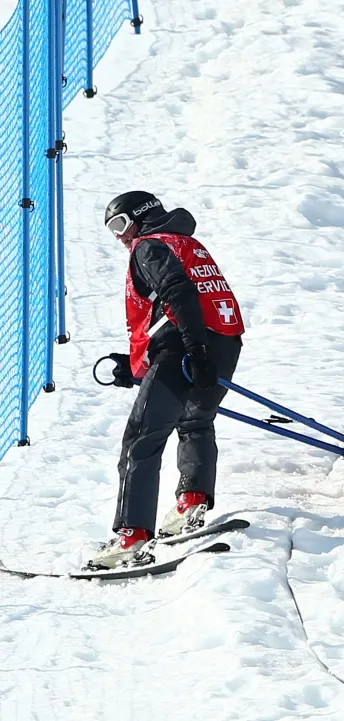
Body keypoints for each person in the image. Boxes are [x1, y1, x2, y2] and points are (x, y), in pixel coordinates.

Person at [90, 192, 245, 570]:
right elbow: (176, 309)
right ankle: (191, 503)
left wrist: (193, 350)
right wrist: (138, 365)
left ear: (141, 219)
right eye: (112, 229)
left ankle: (132, 536)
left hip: (187, 350)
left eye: (121, 225)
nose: (119, 237)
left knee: (141, 439)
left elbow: (178, 294)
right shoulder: (187, 243)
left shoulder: (149, 247)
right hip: (223, 343)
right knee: (194, 422)